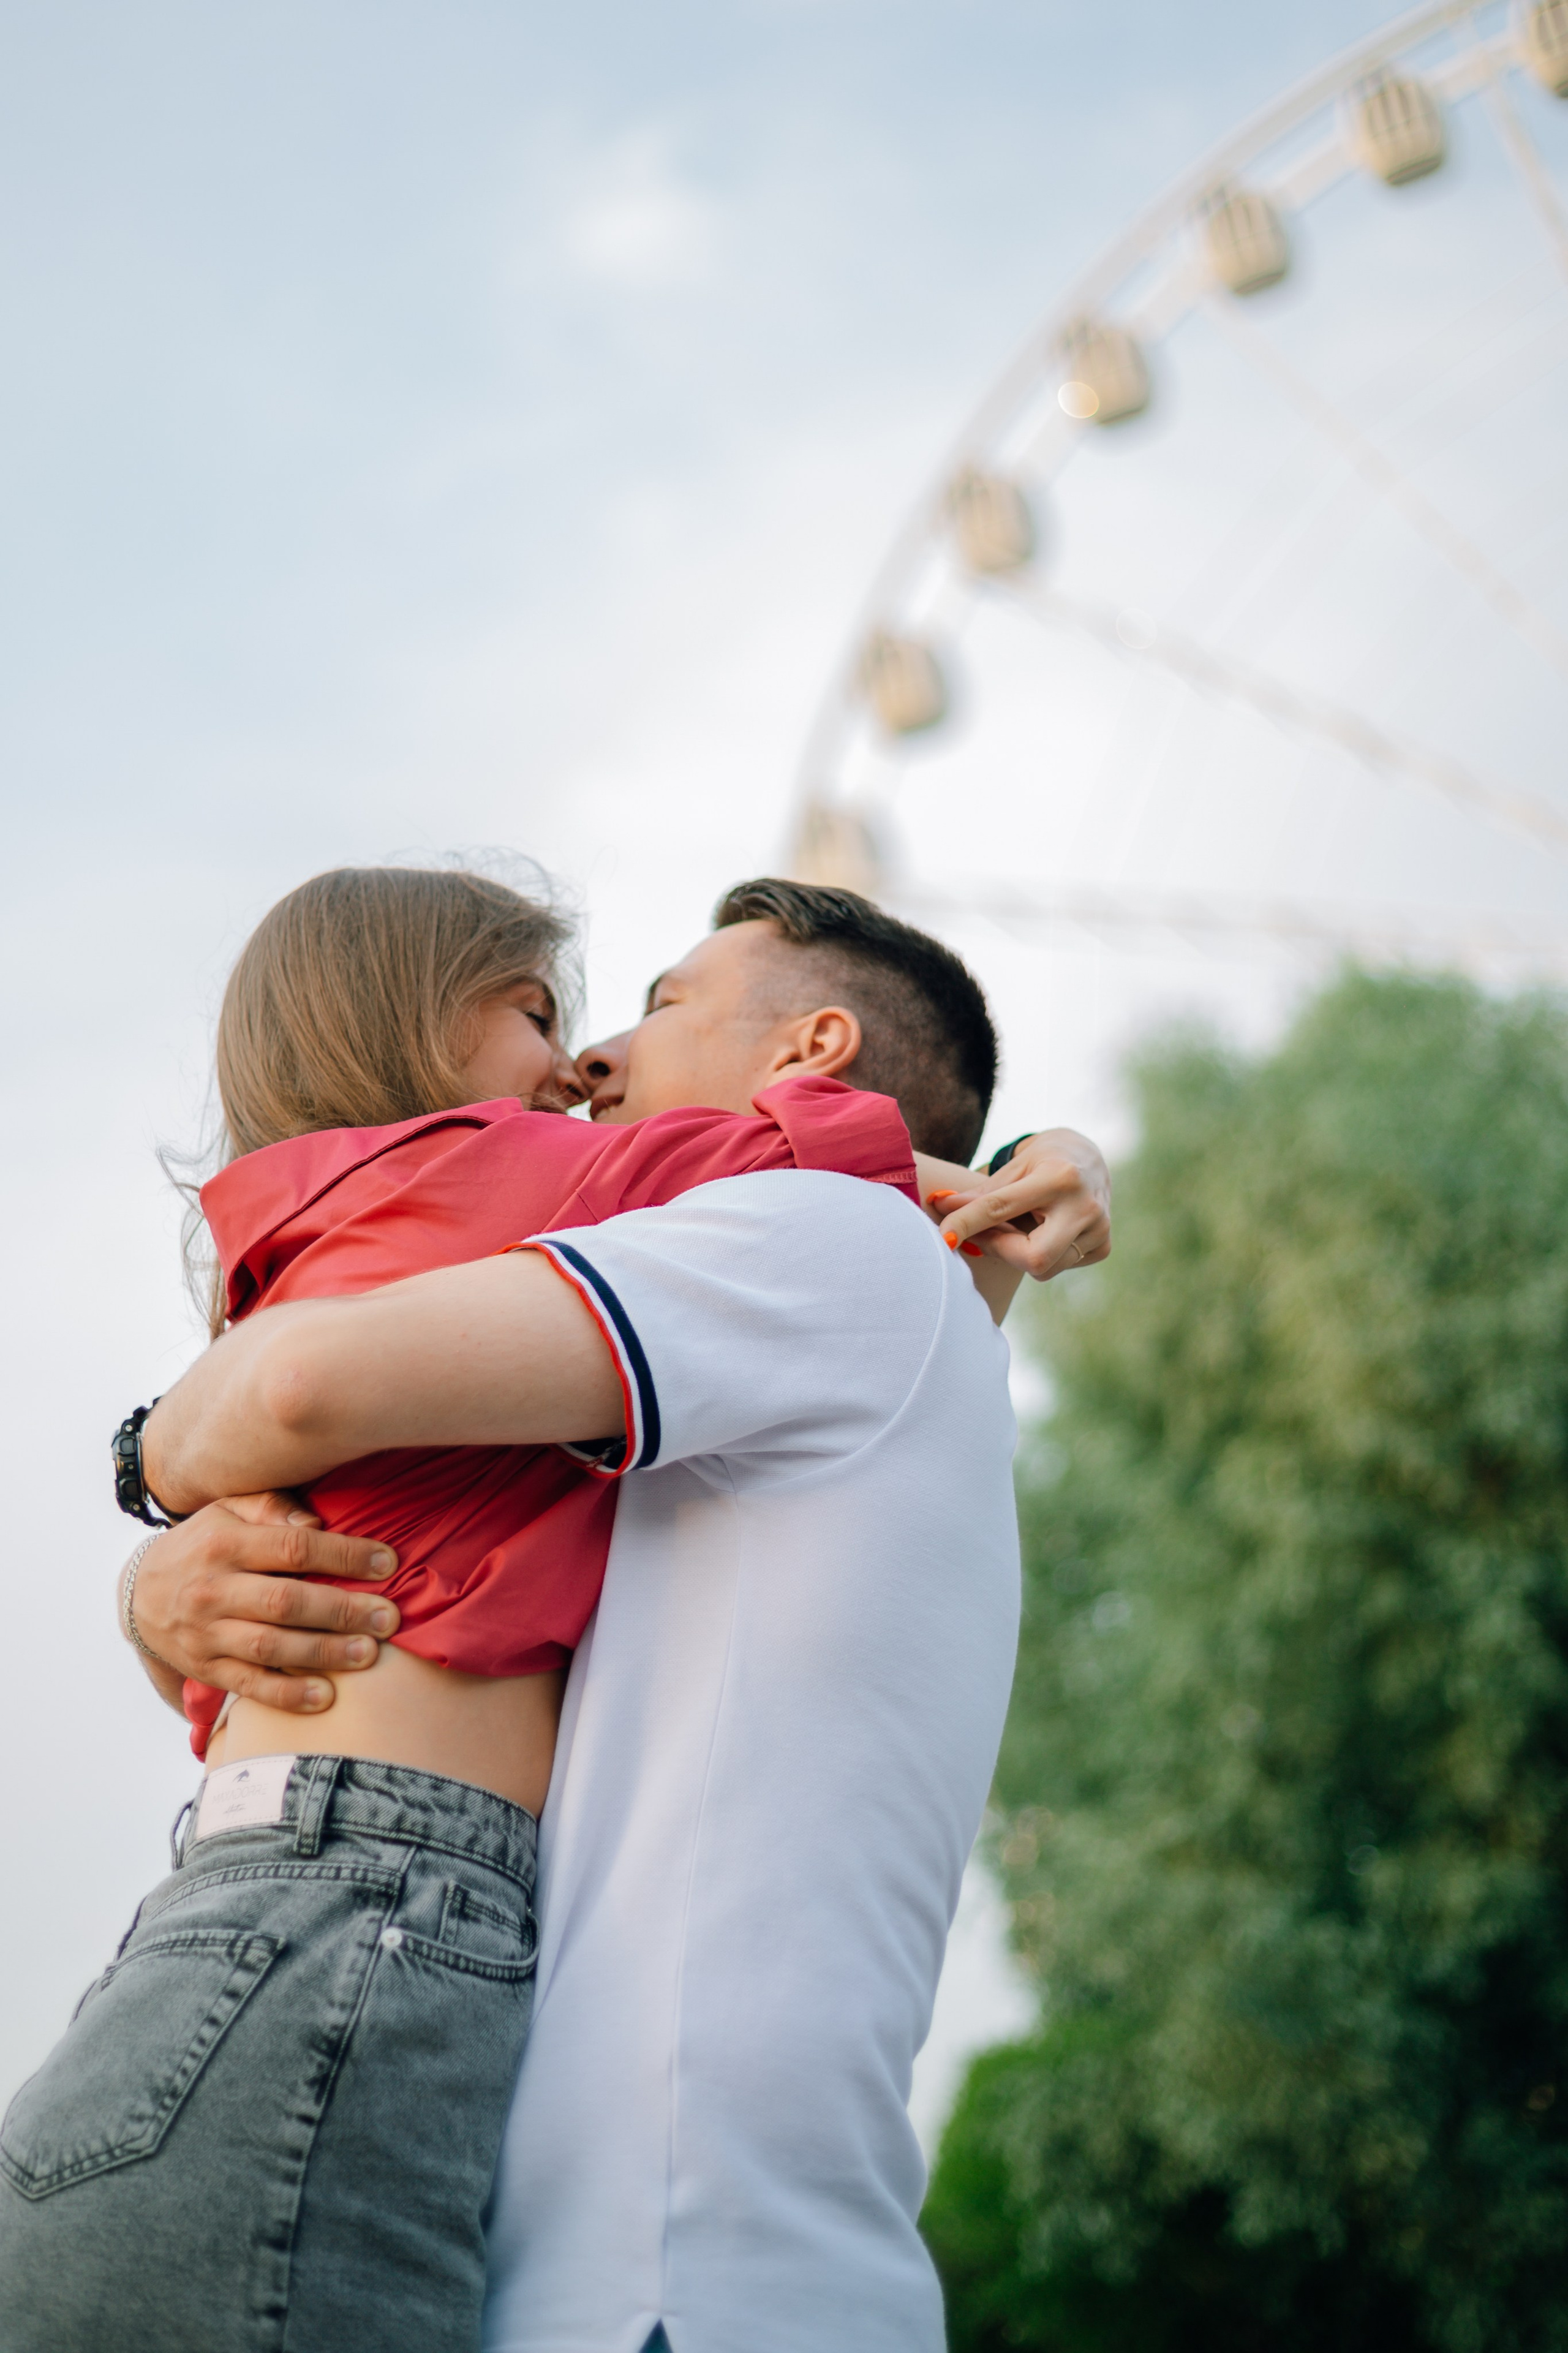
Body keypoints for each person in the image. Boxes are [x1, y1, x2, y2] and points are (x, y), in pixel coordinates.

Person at [0, 867, 1107, 2353]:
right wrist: (166, 1579)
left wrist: (154, 1466)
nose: (591, 1061)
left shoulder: (828, 1251)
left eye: (653, 1009)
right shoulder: (756, 1330)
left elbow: (296, 1390)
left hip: (662, 2280)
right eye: (551, 1014)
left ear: (813, 1053)